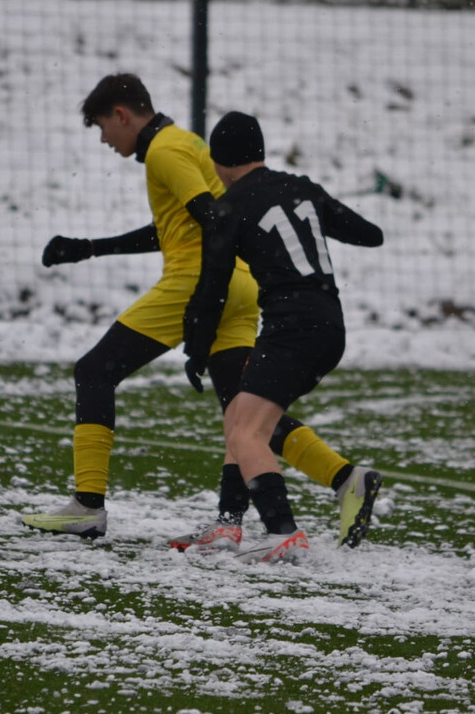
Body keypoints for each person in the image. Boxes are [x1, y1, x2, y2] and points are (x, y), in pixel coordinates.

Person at [21, 74, 381, 552]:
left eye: (103, 126)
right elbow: (193, 220)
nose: (105, 139)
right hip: (245, 285)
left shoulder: (167, 151)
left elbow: (211, 217)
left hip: (199, 284)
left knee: (94, 371)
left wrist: (199, 314)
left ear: (123, 115)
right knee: (243, 411)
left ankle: (88, 507)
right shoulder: (186, 142)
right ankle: (328, 482)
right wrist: (92, 248)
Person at [181, 111, 385, 564]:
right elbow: (369, 235)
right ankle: (230, 522)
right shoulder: (301, 188)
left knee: (249, 431)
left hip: (290, 329)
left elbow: (211, 290)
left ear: (219, 162)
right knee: (240, 420)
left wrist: (196, 348)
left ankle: (282, 532)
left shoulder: (230, 206)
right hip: (329, 326)